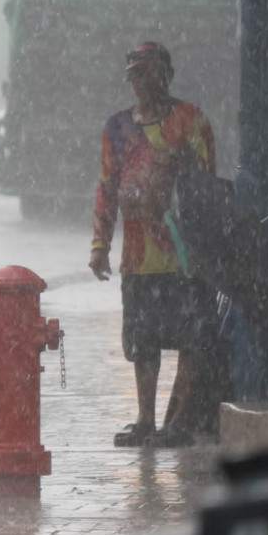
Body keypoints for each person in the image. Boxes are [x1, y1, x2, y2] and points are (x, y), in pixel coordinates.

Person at [89, 41, 218, 447]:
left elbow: (206, 189)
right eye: (133, 74)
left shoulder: (192, 121)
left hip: (184, 257)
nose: (139, 81)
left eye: (146, 72)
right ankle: (146, 420)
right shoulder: (117, 127)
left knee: (190, 339)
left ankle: (176, 423)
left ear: (165, 74)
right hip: (138, 259)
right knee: (142, 342)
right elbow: (106, 187)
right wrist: (99, 244)